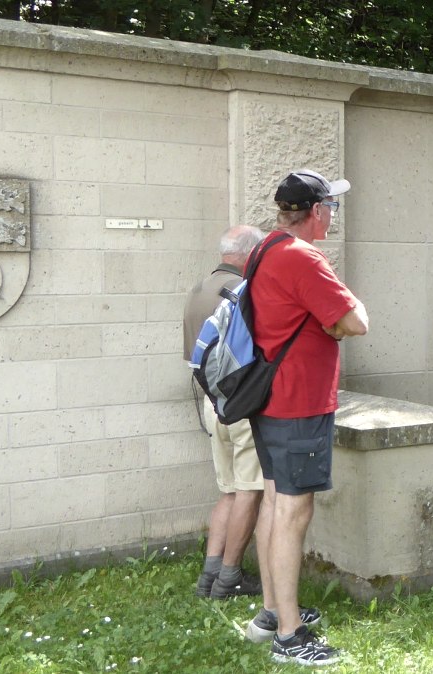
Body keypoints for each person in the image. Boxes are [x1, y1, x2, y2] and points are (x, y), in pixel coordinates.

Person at [243, 169, 369, 666]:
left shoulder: (266, 247)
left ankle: (272, 613)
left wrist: (333, 321)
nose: (334, 214)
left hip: (270, 399)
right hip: (299, 402)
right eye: (331, 207)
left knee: (276, 504)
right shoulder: (303, 257)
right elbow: (355, 322)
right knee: (293, 513)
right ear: (316, 212)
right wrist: (344, 313)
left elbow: (333, 322)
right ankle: (290, 637)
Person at [183, 224, 267, 600]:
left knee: (229, 491)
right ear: (250, 253)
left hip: (211, 402)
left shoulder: (199, 288)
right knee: (249, 491)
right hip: (242, 402)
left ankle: (210, 575)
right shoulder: (243, 292)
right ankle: (229, 578)